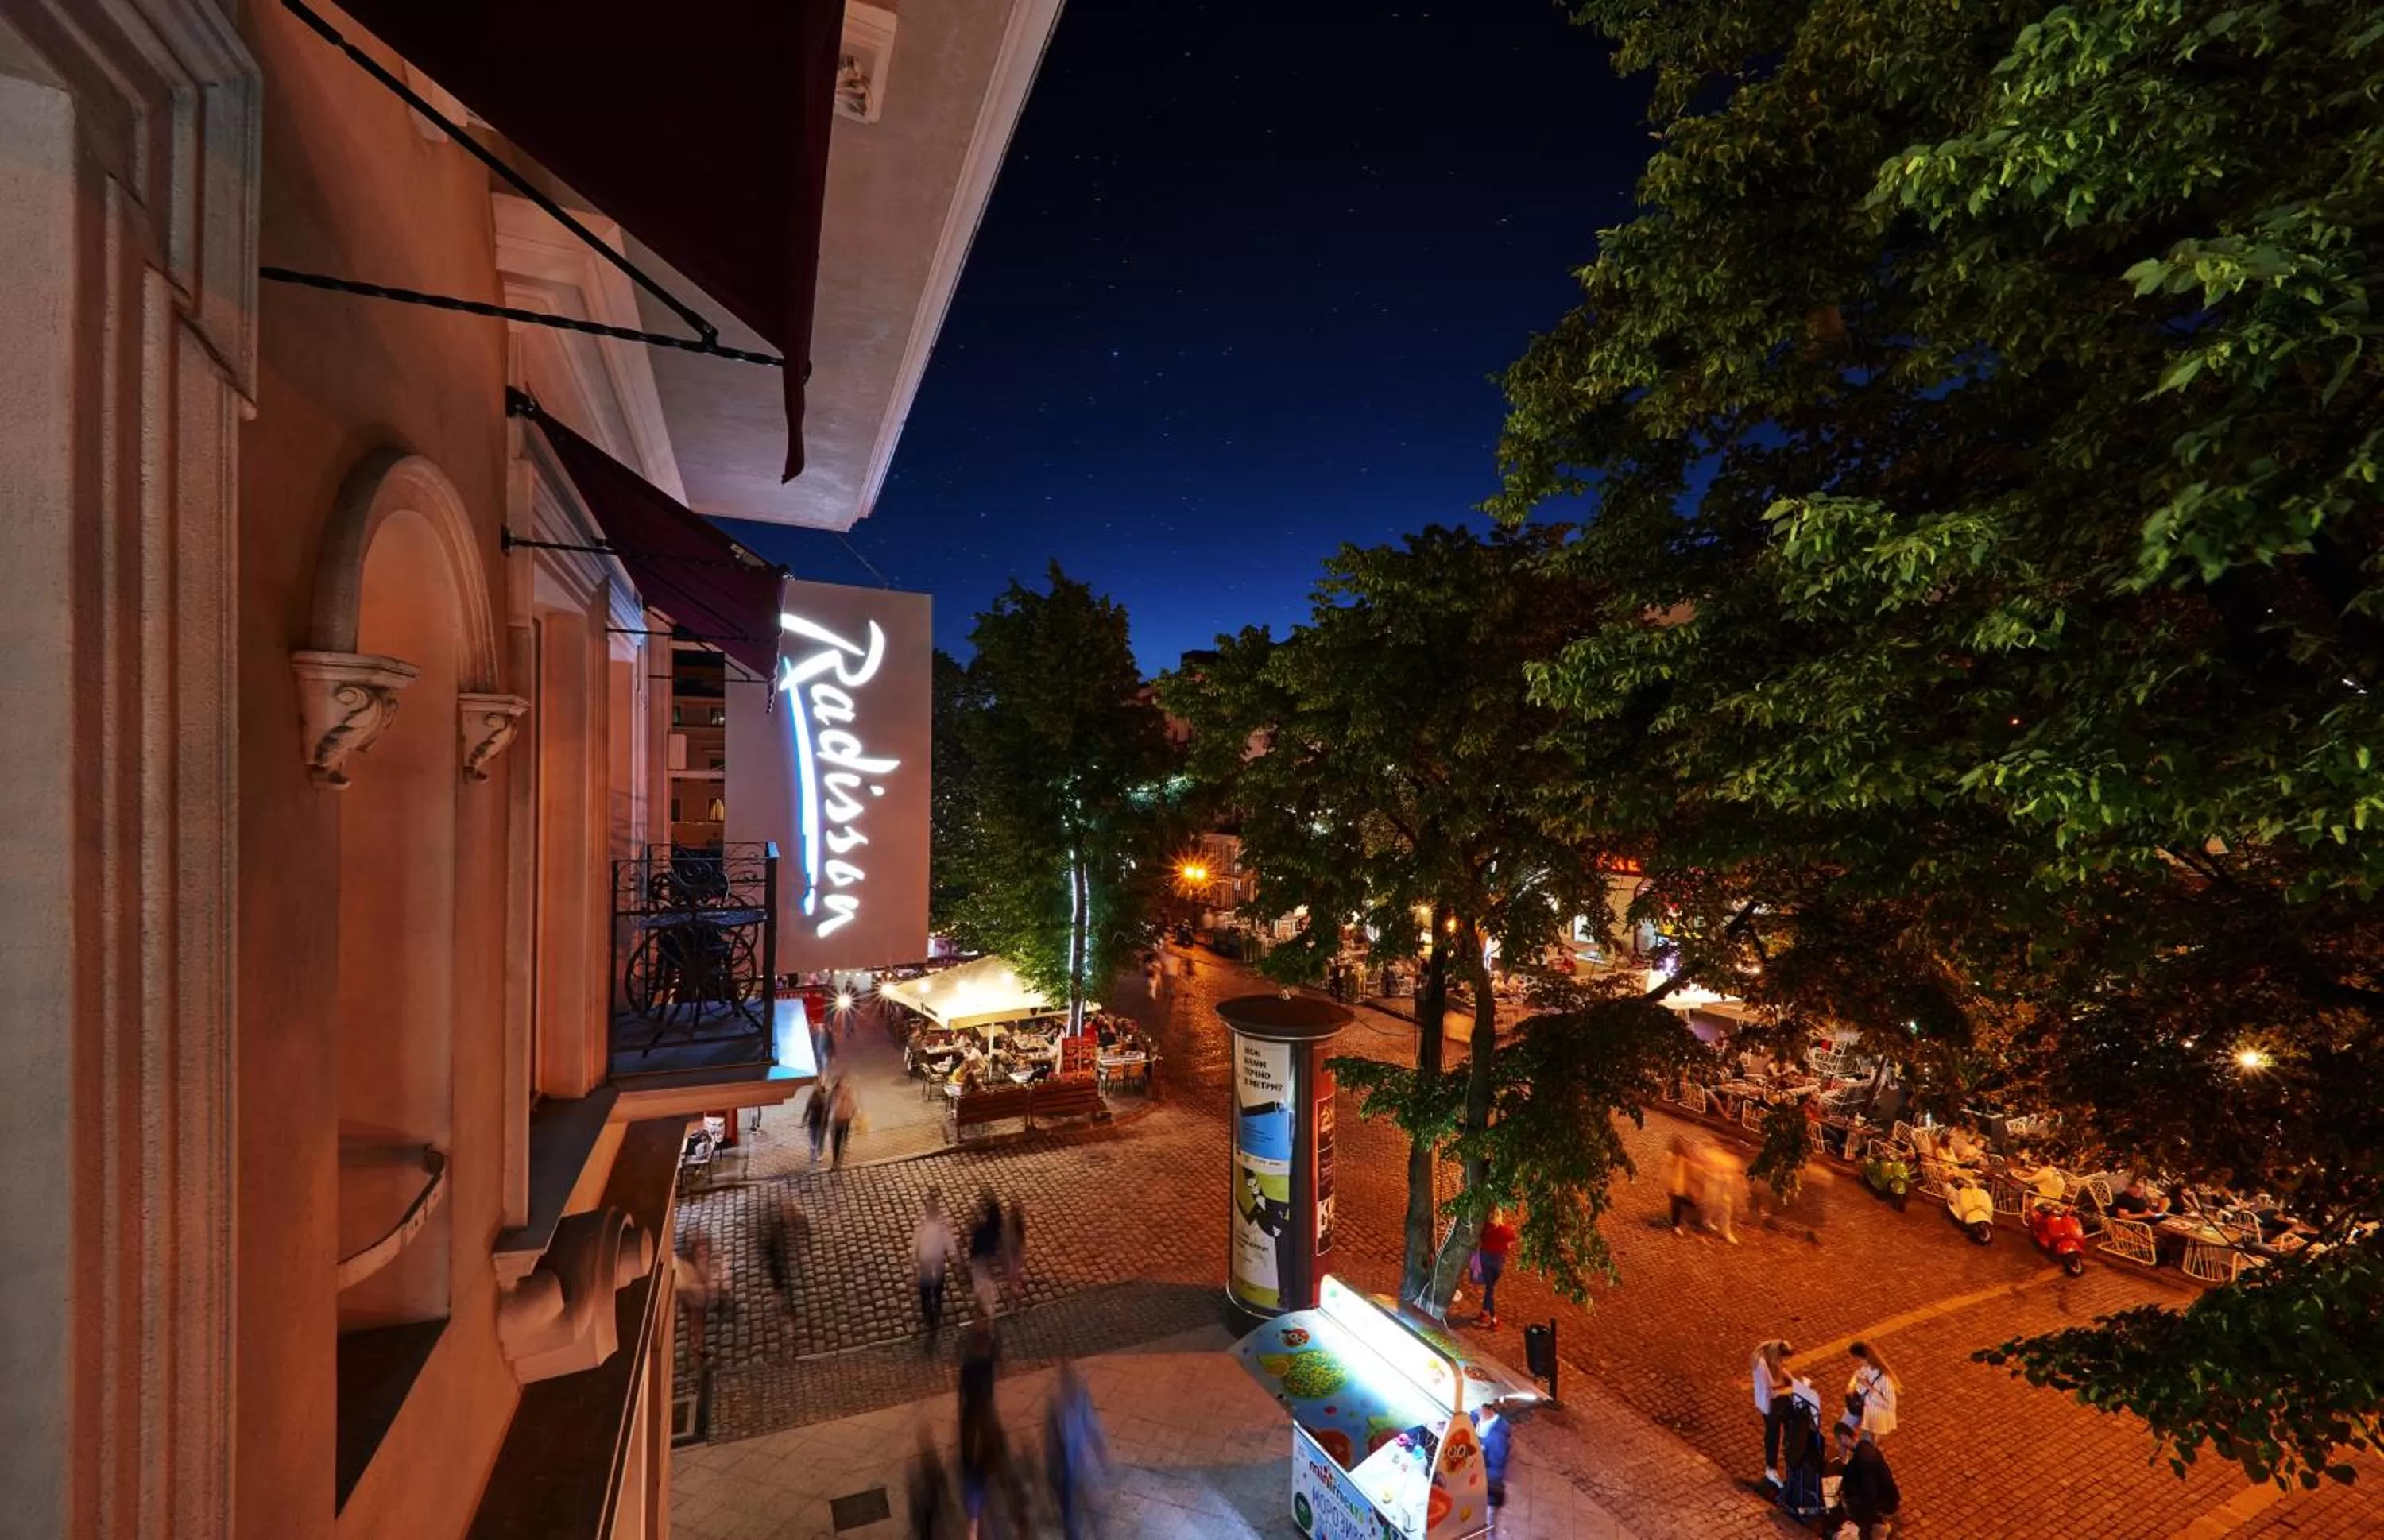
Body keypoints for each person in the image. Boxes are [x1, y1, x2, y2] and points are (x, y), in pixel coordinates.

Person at [1043, 1360, 1109, 1540]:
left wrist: (1101, 1455)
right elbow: (1051, 1442)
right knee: (1072, 1517)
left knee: (1090, 1511)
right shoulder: (1057, 1404)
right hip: (1065, 1470)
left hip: (1078, 1466)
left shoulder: (1079, 1397)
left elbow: (1092, 1427)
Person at [1829, 1423, 1902, 1539]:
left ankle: (1882, 1526)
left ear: (1843, 1438)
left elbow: (1870, 1493)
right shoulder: (1865, 1447)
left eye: (1839, 1442)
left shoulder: (1863, 1459)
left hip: (1884, 1505)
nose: (1839, 1446)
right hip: (1890, 1497)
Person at [1751, 1338, 1798, 1486]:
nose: (1786, 1363)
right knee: (1773, 1433)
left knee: (1790, 1423)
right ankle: (1770, 1468)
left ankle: (1789, 1454)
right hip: (1769, 1402)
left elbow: (1782, 1369)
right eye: (1784, 1359)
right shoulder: (1761, 1364)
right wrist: (1790, 1390)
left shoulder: (1772, 1357)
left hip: (1777, 1398)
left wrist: (1792, 1380)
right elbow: (1770, 1392)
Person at [915, 1189, 954, 1344]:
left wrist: (913, 1260)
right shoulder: (942, 1229)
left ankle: (928, 1311)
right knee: (937, 1286)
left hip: (926, 1264)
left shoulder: (922, 1229)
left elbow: (915, 1245)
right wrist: (955, 1256)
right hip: (937, 1263)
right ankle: (936, 1305)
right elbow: (951, 1246)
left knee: (925, 1289)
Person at [1840, 1341, 1899, 1441]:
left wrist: (1869, 1388)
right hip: (1860, 1407)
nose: (1857, 1363)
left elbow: (1890, 1405)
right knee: (1842, 1431)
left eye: (1857, 1360)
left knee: (1866, 1446)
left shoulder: (1884, 1378)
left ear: (1865, 1358)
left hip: (1873, 1417)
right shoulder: (1863, 1370)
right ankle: (1843, 1456)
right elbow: (1858, 1389)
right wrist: (1853, 1387)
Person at [759, 1195, 807, 1314]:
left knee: (783, 1279)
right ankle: (783, 1303)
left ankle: (783, 1303)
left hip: (780, 1257)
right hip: (777, 1257)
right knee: (782, 1279)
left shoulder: (780, 1224)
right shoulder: (777, 1226)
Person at [1473, 1210, 1519, 1329]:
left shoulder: (1486, 1228)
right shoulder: (1507, 1230)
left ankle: (1493, 1320)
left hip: (1486, 1261)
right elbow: (1510, 1244)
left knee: (1489, 1290)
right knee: (1490, 1289)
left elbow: (1479, 1239)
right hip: (1498, 1263)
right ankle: (1483, 1313)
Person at [1476, 1396, 1514, 1529]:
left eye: (1477, 1408)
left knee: (1486, 1525)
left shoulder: (1497, 1437)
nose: (1474, 1411)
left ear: (1485, 1408)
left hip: (1488, 1488)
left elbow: (1497, 1469)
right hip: (1483, 1482)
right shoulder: (1482, 1422)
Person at [969, 1190, 1006, 1318]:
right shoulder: (996, 1229)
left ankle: (982, 1310)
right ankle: (987, 1310)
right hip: (988, 1258)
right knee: (986, 1285)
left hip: (979, 1259)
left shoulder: (981, 1230)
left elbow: (974, 1247)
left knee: (980, 1284)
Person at [1701, 1143, 1743, 1244]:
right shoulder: (1713, 1155)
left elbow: (1735, 1174)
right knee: (1711, 1203)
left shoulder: (1732, 1160)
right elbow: (1705, 1167)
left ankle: (1726, 1232)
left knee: (1726, 1208)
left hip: (1725, 1186)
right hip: (1713, 1183)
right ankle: (1706, 1220)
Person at [1665, 1136, 1701, 1235]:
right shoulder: (1674, 1158)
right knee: (1677, 1203)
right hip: (1676, 1185)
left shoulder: (1684, 1158)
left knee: (1691, 1203)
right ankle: (1675, 1225)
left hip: (1683, 1185)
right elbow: (1668, 1170)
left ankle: (1679, 1219)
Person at [1003, 1197, 1029, 1305]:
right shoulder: (1014, 1221)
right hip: (1014, 1246)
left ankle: (1011, 1285)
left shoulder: (1011, 1220)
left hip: (1014, 1246)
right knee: (1013, 1268)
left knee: (1013, 1267)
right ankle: (1011, 1293)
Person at [803, 1078, 830, 1167]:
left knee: (821, 1139)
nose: (816, 1086)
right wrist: (804, 1119)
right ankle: (814, 1150)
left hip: (822, 1122)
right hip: (813, 1120)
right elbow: (807, 1108)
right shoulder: (812, 1096)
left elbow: (827, 1108)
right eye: (815, 1085)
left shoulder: (826, 1095)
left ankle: (820, 1153)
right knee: (813, 1138)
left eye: (818, 1084)